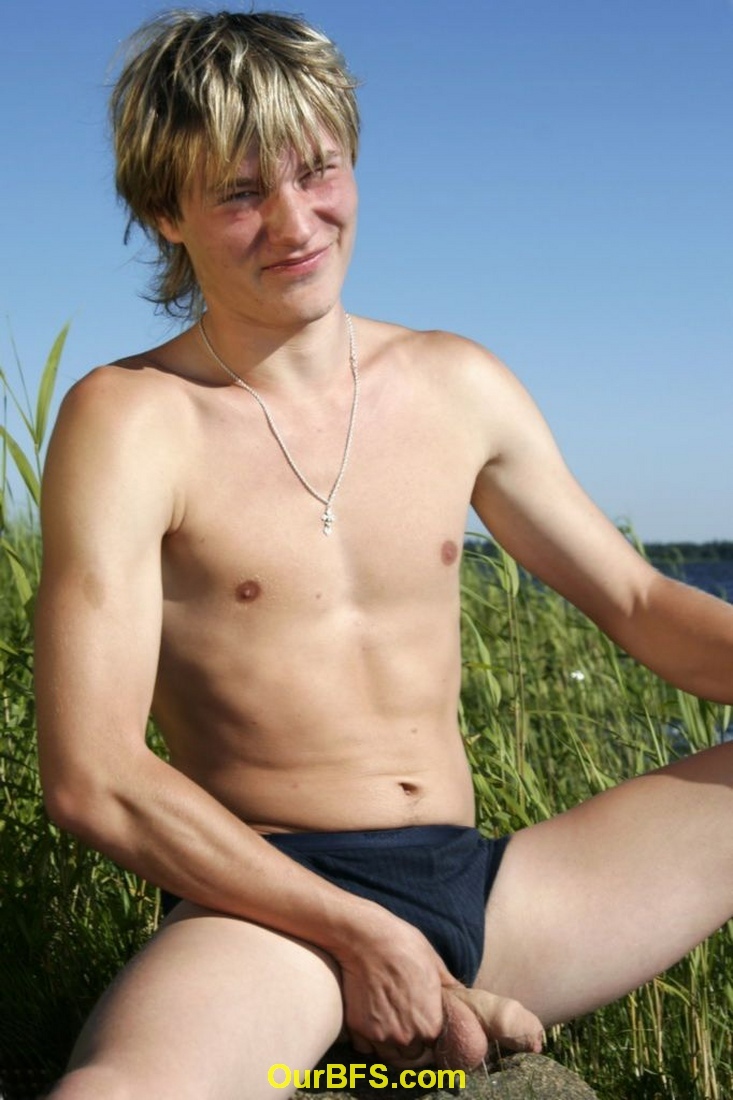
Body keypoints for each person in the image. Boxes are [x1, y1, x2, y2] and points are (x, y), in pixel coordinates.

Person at [35, 9, 733, 1099]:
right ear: (165, 211)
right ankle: (406, 1003)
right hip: (269, 909)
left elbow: (640, 603)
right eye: (240, 192)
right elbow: (92, 774)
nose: (294, 221)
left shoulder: (457, 382)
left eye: (316, 171)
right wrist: (357, 934)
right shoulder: (132, 420)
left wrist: (410, 939)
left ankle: (452, 996)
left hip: (493, 891)